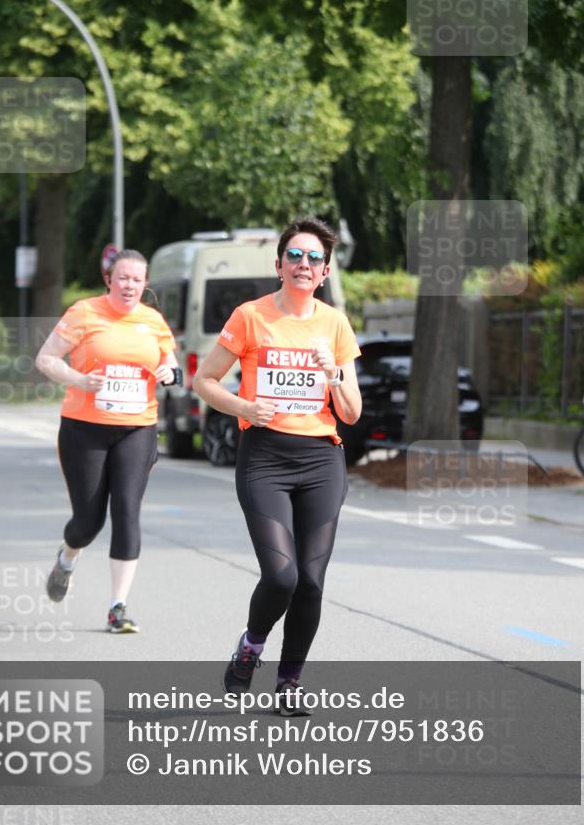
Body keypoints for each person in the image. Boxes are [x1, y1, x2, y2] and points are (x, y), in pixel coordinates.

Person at [193, 217, 361, 714]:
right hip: (264, 457)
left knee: (311, 580)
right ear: (280, 264)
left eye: (314, 258)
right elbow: (205, 381)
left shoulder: (335, 324)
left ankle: (289, 682)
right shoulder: (250, 316)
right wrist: (244, 407)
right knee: (282, 575)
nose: (304, 264)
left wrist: (333, 374)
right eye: (296, 255)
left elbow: (352, 412)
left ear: (325, 273)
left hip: (322, 460)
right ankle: (251, 646)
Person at [35, 248, 180, 633]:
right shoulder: (84, 313)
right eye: (123, 278)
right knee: (87, 522)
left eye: (137, 280)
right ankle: (67, 559)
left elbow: (171, 362)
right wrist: (80, 380)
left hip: (138, 427)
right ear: (109, 280)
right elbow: (46, 359)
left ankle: (118, 608)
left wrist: (169, 372)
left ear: (145, 284)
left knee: (127, 511)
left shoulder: (152, 320)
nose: (130, 285)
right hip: (84, 428)